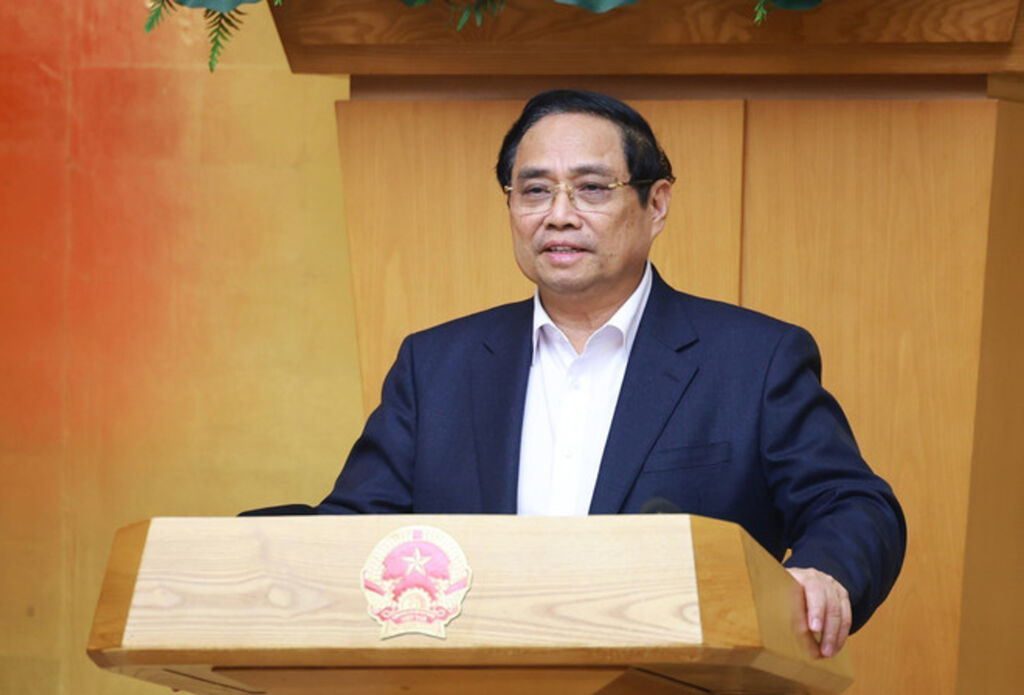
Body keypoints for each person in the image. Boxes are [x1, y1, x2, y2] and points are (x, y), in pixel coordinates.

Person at [315, 89, 906, 658]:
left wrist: (825, 573)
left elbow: (853, 504)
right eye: (535, 190)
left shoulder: (754, 359)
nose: (559, 216)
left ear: (656, 204)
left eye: (592, 189)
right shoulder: (436, 365)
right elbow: (350, 535)